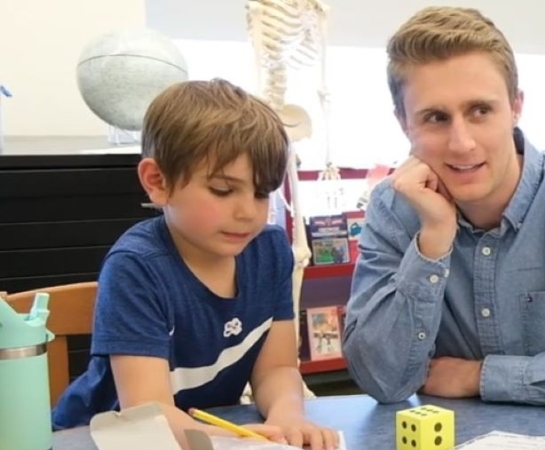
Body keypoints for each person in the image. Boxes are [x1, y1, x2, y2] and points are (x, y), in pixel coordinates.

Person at [343, 6, 545, 412]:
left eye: (480, 111)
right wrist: (432, 243)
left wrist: (477, 376)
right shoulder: (395, 210)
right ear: (403, 123)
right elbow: (383, 380)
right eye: (435, 118)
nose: (462, 143)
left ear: (516, 106)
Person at [50, 79, 338, 450]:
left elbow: (276, 369)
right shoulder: (136, 268)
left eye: (262, 191)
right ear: (157, 182)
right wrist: (241, 442)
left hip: (208, 436)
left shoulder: (270, 252)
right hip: (96, 439)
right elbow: (147, 414)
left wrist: (287, 416)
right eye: (223, 189)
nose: (247, 211)